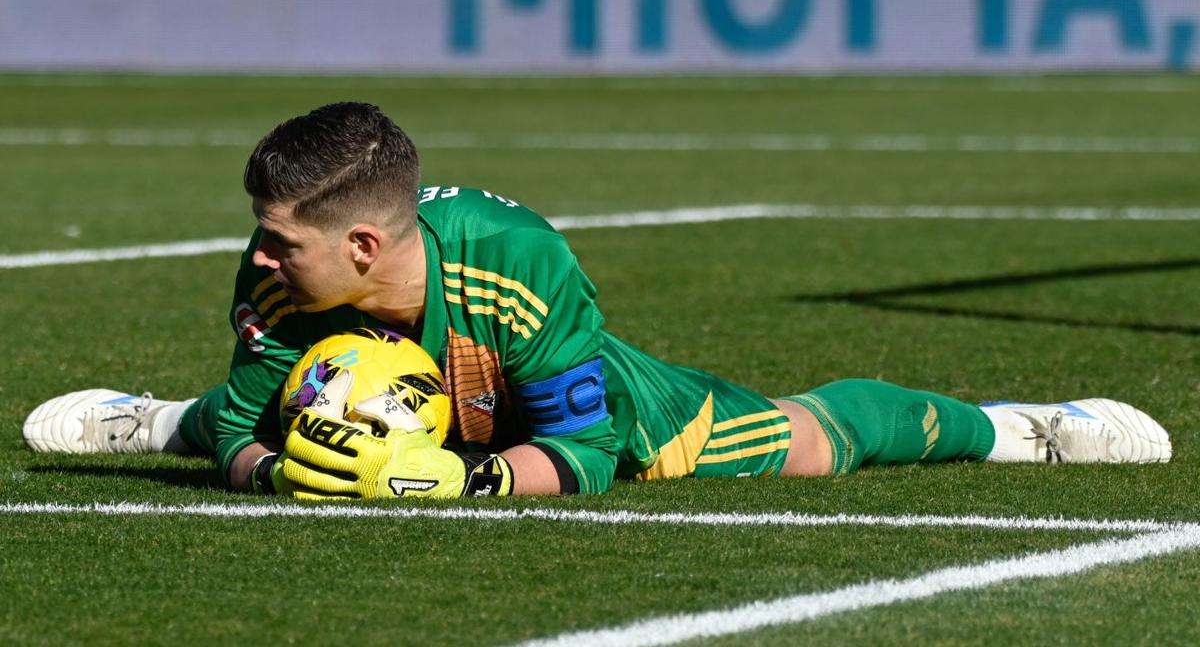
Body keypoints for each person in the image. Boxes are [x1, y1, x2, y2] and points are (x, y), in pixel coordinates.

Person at [22, 102, 1172, 499]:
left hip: (550, 412)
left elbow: (581, 447)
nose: (261, 260)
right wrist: (266, 466)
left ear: (365, 242)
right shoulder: (282, 269)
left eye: (281, 243)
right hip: (386, 418)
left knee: (811, 446)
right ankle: (151, 415)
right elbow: (249, 413)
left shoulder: (513, 262)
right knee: (236, 413)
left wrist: (466, 480)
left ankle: (1026, 430)